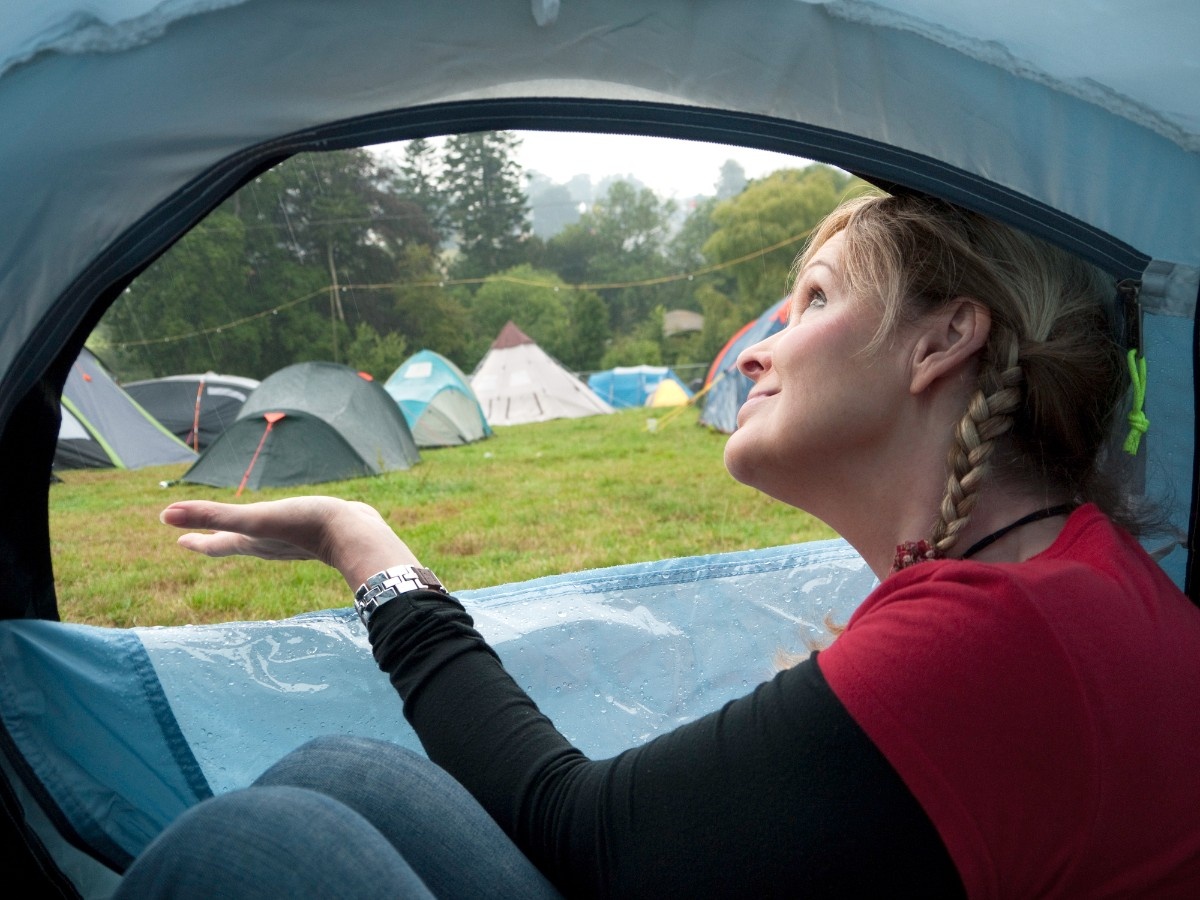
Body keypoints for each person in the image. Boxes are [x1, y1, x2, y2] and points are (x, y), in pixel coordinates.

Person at [114, 194, 1200, 898]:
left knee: (254, 849)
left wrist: (364, 546)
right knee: (338, 773)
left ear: (943, 340)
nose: (761, 354)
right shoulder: (1068, 575)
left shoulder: (997, 637)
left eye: (812, 300)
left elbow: (588, 833)